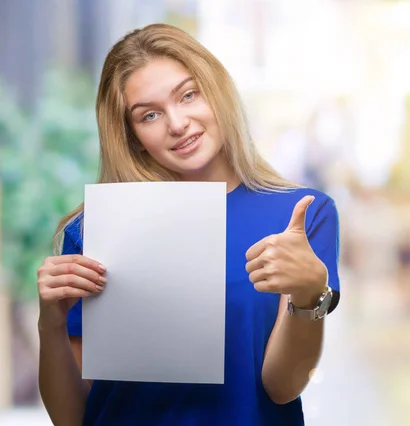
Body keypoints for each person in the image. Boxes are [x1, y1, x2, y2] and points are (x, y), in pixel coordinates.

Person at [36, 23, 340, 426]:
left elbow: (282, 386)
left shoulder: (300, 215)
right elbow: (70, 418)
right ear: (132, 137)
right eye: (149, 114)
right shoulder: (98, 228)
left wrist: (308, 296)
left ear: (216, 93)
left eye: (188, 94)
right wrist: (50, 324)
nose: (177, 123)